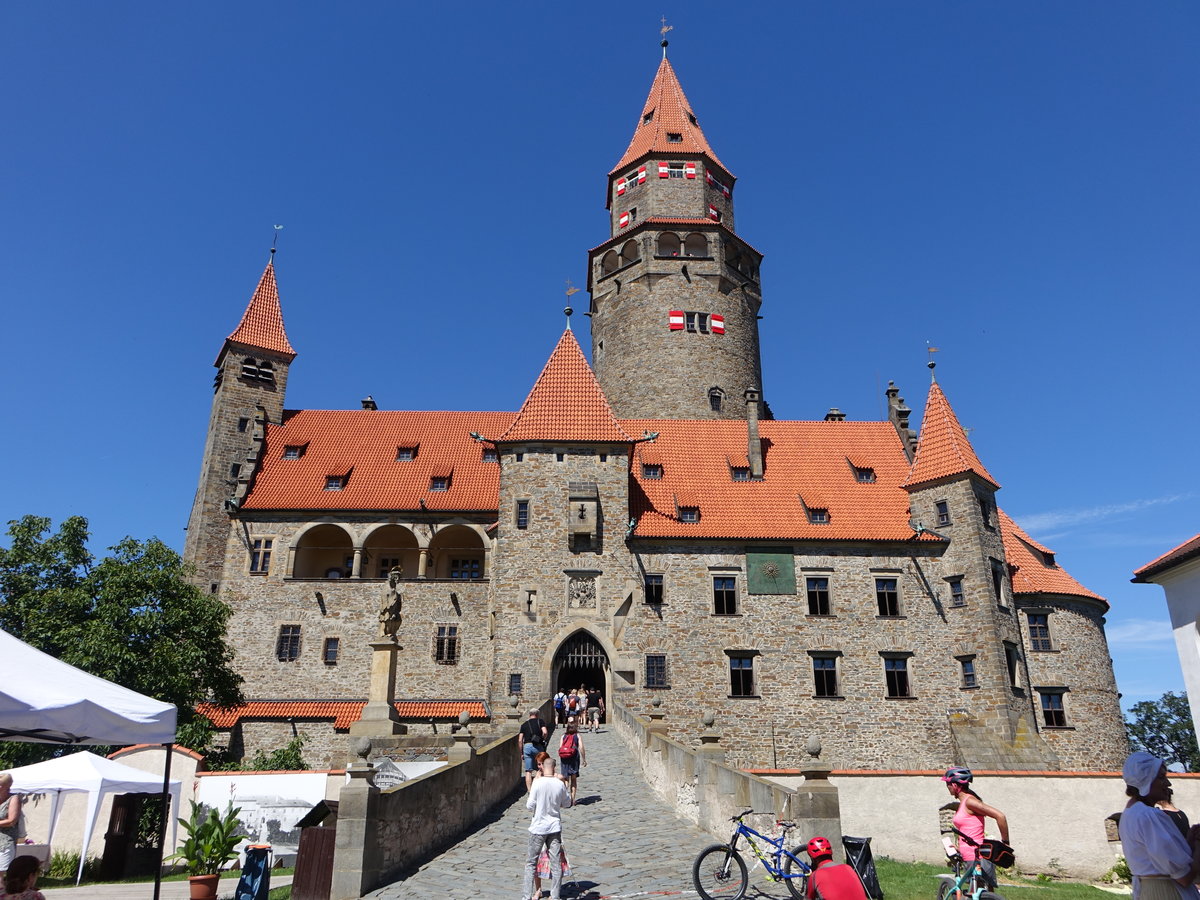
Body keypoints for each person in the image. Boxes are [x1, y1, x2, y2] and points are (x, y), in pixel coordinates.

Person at [1119, 751, 1200, 900]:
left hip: (1148, 891)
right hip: (1168, 893)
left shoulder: (1129, 814)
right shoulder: (1149, 816)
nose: (1168, 784)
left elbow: (1160, 859)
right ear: (1146, 781)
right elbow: (1184, 877)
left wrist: (1188, 842)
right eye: (1162, 778)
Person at [941, 766, 1009, 891]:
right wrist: (959, 848)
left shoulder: (970, 802)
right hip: (968, 855)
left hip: (979, 856)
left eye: (948, 785)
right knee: (975, 893)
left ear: (955, 786)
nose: (948, 788)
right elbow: (970, 829)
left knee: (980, 893)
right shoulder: (964, 803)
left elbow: (1000, 816)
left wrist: (1005, 843)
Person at [523, 756, 572, 900]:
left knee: (531, 863)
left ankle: (526, 897)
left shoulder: (537, 783)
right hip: (554, 827)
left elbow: (529, 806)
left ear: (543, 767)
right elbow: (567, 803)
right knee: (556, 865)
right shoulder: (559, 784)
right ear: (554, 768)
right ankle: (555, 896)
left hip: (538, 828)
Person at [519, 709, 548, 791]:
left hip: (527, 747)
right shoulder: (540, 721)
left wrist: (521, 752)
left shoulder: (524, 724)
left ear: (529, 715)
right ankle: (540, 788)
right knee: (541, 767)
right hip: (537, 746)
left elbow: (520, 740)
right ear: (537, 715)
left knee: (528, 771)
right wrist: (542, 739)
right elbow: (545, 732)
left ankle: (530, 791)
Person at [558, 718, 586, 803]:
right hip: (574, 757)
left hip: (564, 758)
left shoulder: (563, 736)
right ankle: (572, 799)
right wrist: (584, 759)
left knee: (566, 779)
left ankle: (564, 798)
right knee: (573, 779)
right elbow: (581, 747)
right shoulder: (577, 735)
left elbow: (560, 748)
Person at [0, 775, 23, 872]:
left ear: (7, 786)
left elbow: (11, 821)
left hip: (5, 842)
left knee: (1, 873)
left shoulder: (14, 798)